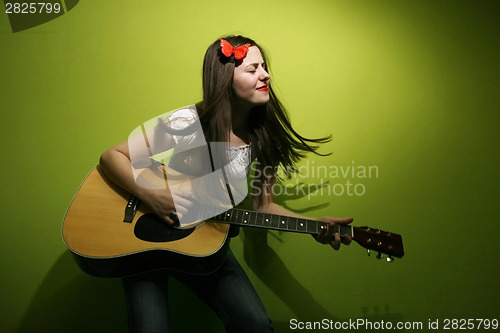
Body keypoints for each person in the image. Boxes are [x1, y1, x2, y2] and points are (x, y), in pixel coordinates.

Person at [99, 35, 352, 333]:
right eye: (253, 68)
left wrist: (312, 225)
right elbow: (111, 156)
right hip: (144, 241)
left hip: (206, 245)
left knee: (256, 326)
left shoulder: (262, 134)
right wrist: (150, 196)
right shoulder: (187, 121)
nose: (266, 74)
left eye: (265, 67)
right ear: (225, 80)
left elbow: (264, 205)